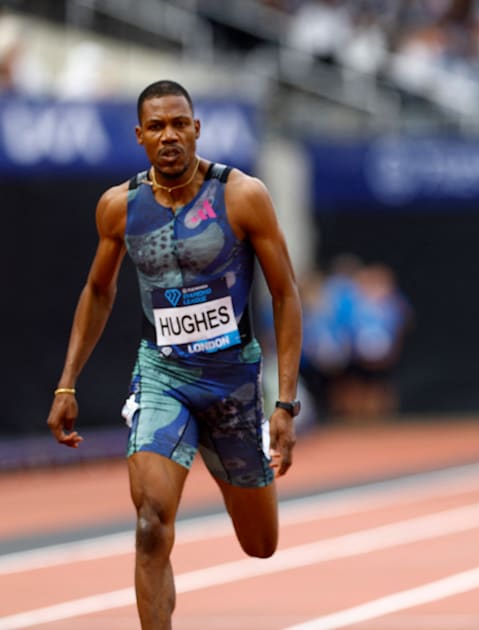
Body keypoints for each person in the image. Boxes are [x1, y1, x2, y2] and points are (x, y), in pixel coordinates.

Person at [44, 80, 303, 629]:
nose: (169, 136)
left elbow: (285, 295)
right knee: (150, 523)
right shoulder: (120, 207)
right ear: (140, 136)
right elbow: (97, 291)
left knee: (261, 544)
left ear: (196, 129)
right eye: (157, 127)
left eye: (179, 124)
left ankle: (237, 459)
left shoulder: (241, 195)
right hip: (164, 376)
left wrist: (285, 403)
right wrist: (67, 383)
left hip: (232, 383)